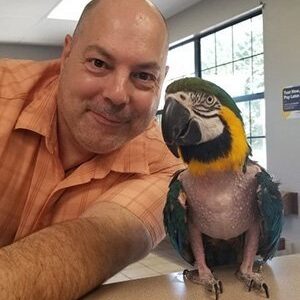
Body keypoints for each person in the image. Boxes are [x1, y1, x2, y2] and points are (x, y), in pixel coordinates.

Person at [0, 0, 183, 298]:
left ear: (161, 80)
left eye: (143, 76)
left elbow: (94, 244)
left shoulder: (166, 171)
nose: (117, 94)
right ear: (67, 53)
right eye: (99, 63)